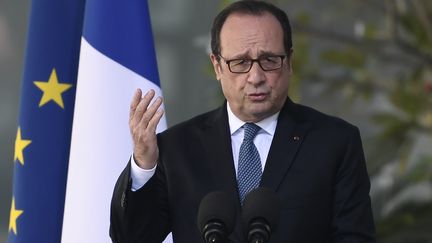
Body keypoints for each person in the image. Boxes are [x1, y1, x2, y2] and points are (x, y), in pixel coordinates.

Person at [110, 1, 376, 242]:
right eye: (240, 62)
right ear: (217, 66)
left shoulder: (334, 142)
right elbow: (132, 238)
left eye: (269, 60)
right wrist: (144, 164)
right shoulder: (178, 147)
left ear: (289, 61)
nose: (256, 77)